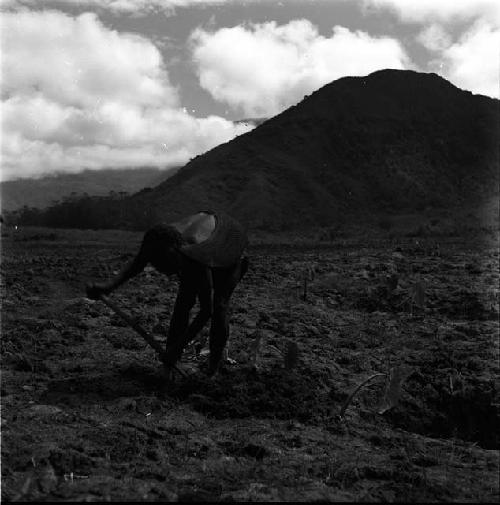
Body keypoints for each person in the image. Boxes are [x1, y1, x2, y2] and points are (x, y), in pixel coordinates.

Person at [86, 211, 249, 376]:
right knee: (183, 302)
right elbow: (137, 264)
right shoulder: (157, 242)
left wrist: (178, 348)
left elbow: (206, 311)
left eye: (163, 264)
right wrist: (108, 287)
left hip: (231, 252)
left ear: (174, 253)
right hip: (198, 251)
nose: (162, 271)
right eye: (156, 264)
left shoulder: (197, 255)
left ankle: (213, 367)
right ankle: (169, 367)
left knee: (219, 304)